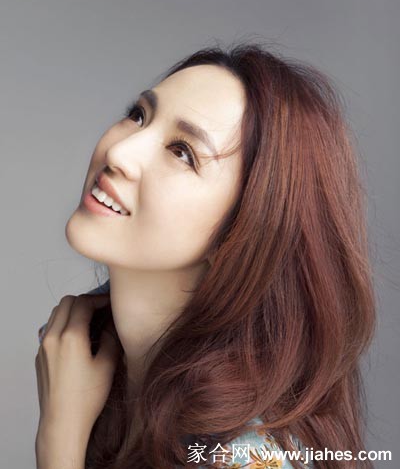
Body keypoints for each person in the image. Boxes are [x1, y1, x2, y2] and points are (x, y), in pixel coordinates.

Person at [35, 42, 376, 469]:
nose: (119, 153)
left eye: (182, 152)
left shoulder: (245, 458)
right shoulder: (92, 369)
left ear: (243, 230)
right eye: (138, 115)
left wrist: (59, 443)